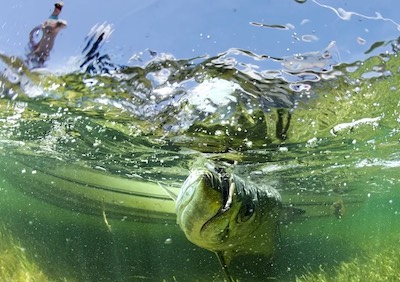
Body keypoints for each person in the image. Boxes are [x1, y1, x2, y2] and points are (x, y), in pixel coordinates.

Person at [26, 2, 67, 68]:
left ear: (60, 10)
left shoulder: (57, 24)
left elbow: (64, 24)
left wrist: (57, 25)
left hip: (45, 52)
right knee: (29, 59)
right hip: (38, 49)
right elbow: (32, 32)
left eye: (59, 8)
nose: (57, 8)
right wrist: (33, 43)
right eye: (56, 6)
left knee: (38, 63)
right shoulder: (45, 23)